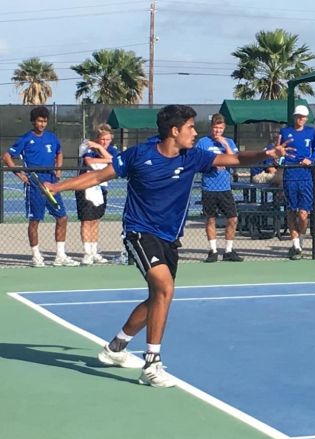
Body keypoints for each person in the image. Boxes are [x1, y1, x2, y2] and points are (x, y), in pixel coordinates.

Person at [44, 105, 281, 388]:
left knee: (159, 297)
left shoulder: (193, 156)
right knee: (165, 288)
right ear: (174, 130)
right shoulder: (138, 155)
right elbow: (97, 176)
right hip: (140, 232)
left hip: (170, 237)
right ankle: (152, 364)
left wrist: (265, 154)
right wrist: (59, 187)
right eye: (191, 127)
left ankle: (116, 347)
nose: (195, 133)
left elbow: (234, 158)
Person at [2, 106, 78, 267]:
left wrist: (58, 169)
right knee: (35, 220)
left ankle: (60, 255)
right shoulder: (26, 138)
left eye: (44, 121)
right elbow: (7, 156)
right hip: (35, 183)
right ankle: (36, 256)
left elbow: (59, 152)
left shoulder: (52, 137)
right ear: (33, 121)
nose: (42, 124)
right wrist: (19, 173)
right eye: (39, 121)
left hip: (51, 182)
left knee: (62, 217)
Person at [195, 113, 243, 263]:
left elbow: (235, 159)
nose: (217, 131)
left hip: (225, 188)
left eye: (220, 128)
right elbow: (197, 161)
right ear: (211, 128)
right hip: (209, 187)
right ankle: (213, 251)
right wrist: (212, 164)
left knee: (233, 219)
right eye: (215, 128)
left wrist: (225, 145)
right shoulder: (203, 142)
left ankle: (228, 250)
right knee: (210, 219)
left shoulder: (228, 142)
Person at [279, 105, 315, 260]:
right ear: (294, 117)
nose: (301, 119)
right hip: (290, 175)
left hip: (306, 176)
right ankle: (295, 245)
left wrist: (311, 159)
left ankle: (300, 241)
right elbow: (278, 150)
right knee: (291, 211)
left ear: (306, 118)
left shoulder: (311, 132)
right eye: (298, 116)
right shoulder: (285, 132)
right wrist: (281, 159)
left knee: (303, 214)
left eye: (303, 117)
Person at [76, 124, 118, 265]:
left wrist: (101, 150)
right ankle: (87, 253)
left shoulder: (111, 149)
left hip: (101, 188)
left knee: (96, 220)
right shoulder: (88, 149)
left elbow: (115, 161)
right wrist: (105, 158)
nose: (105, 142)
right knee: (87, 221)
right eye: (102, 140)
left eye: (107, 140)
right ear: (97, 139)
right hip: (86, 188)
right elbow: (89, 161)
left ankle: (94, 252)